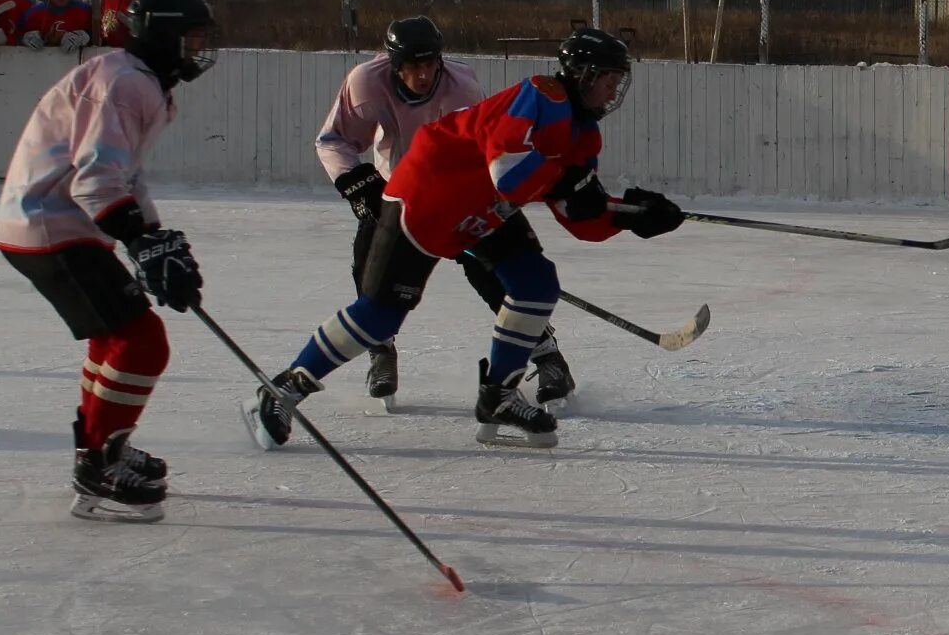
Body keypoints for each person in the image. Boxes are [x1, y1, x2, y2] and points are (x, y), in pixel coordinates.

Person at [245, 25, 685, 451]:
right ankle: (283, 388)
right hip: (428, 198)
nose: (614, 92)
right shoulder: (542, 95)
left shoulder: (584, 134)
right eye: (610, 79)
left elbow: (577, 216)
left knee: (536, 283)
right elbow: (510, 171)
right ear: (585, 74)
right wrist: (571, 181)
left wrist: (627, 215)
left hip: (485, 210)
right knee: (380, 316)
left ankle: (499, 396)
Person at [0, 0, 219, 520]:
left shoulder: (138, 81)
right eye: (192, 38)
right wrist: (140, 241)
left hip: (52, 221)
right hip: (48, 223)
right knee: (141, 341)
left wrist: (155, 236)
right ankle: (99, 462)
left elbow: (125, 174)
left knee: (113, 337)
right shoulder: (123, 84)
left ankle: (101, 448)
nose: (199, 49)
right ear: (162, 37)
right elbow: (95, 180)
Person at [312, 15, 490, 405]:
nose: (423, 75)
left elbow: (475, 152)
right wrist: (357, 184)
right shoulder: (365, 83)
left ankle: (543, 352)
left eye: (430, 64)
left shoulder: (462, 88)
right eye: (412, 66)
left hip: (446, 190)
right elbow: (333, 140)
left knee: (490, 264)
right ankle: (380, 348)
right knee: (369, 266)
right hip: (393, 190)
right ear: (395, 63)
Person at [19, 0, 98, 51]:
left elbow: (98, 38)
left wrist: (85, 36)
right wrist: (24, 38)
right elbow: (17, 34)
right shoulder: (34, 13)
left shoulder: (83, 11)